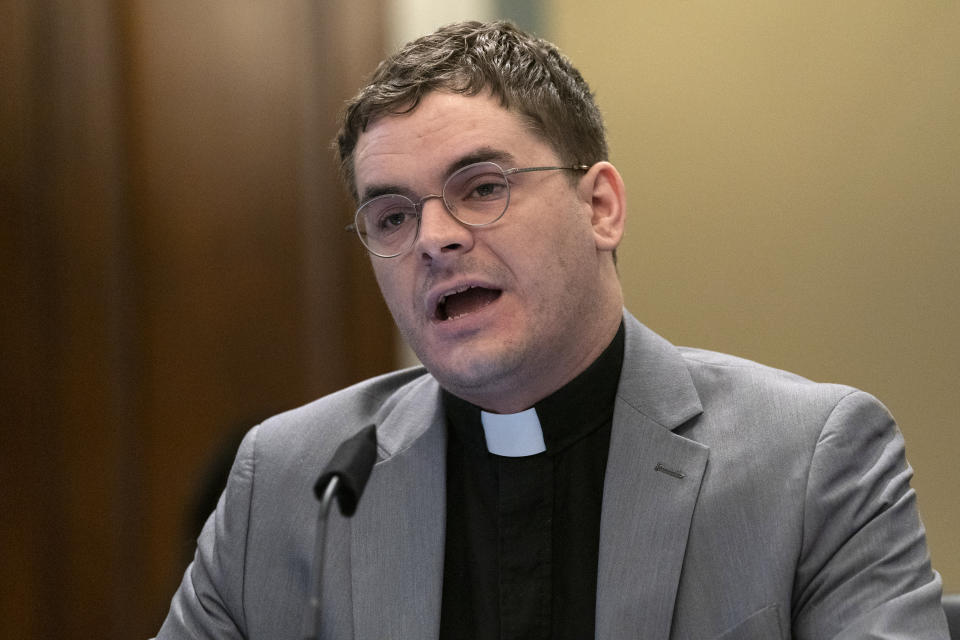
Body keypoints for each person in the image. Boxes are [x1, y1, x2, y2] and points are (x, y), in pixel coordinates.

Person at [155, 20, 949, 639]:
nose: (434, 238)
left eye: (482, 187)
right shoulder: (294, 482)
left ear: (599, 206)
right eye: (392, 214)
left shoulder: (811, 463)